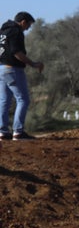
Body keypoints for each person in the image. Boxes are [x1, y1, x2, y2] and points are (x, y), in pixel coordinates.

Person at [0, 11, 44, 140]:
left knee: (4, 101)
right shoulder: (16, 31)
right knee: (23, 99)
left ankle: (2, 132)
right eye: (28, 25)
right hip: (12, 69)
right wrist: (33, 64)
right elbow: (16, 52)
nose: (28, 28)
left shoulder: (3, 31)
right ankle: (18, 132)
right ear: (23, 22)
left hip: (1, 68)